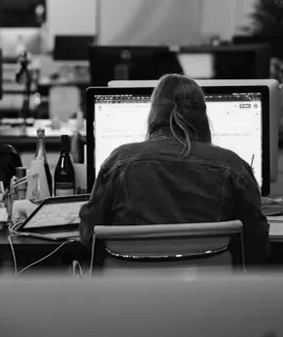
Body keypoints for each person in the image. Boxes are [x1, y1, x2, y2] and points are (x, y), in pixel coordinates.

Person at [78, 73, 270, 262]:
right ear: (202, 116)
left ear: (154, 113)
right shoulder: (233, 166)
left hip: (134, 282)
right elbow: (256, 245)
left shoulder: (119, 162)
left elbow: (89, 235)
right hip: (211, 281)